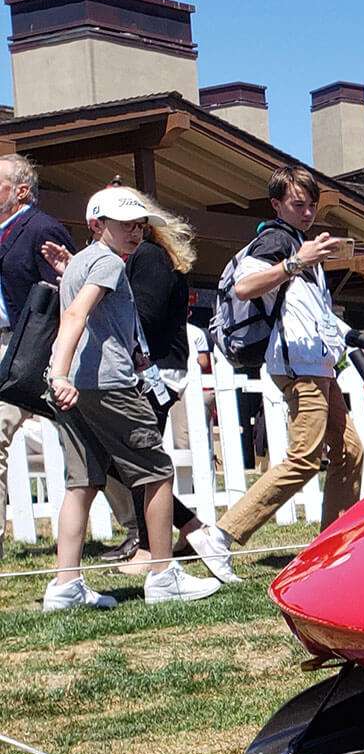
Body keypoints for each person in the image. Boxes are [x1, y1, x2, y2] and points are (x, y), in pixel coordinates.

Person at [42, 186, 222, 610]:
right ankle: (163, 575)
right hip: (110, 386)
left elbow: (82, 317)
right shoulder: (107, 262)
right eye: (125, 224)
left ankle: (65, 585)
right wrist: (60, 372)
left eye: (139, 224)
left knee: (82, 483)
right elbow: (75, 315)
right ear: (97, 224)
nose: (135, 232)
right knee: (157, 473)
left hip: (80, 389)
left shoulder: (79, 262)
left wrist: (62, 375)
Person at [187, 167, 361, 575]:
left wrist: (360, 340)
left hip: (318, 366)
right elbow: (244, 287)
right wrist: (295, 262)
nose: (308, 212)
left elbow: (314, 313)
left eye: (312, 205)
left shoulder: (299, 244)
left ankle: (332, 546)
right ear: (277, 204)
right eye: (298, 204)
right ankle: (221, 535)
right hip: (299, 367)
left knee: (349, 451)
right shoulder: (277, 240)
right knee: (304, 459)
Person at [0, 154, 74, 556]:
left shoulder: (41, 228)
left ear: (21, 191)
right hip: (6, 347)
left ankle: (141, 526)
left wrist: (59, 355)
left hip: (38, 350)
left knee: (85, 440)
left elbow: (69, 295)